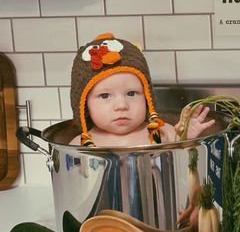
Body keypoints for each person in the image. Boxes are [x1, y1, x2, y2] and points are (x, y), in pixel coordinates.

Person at [69, 33, 214, 147]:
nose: (121, 105)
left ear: (146, 97)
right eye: (105, 96)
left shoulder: (163, 133)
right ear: (84, 105)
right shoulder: (80, 145)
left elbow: (182, 161)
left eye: (131, 93)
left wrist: (186, 138)